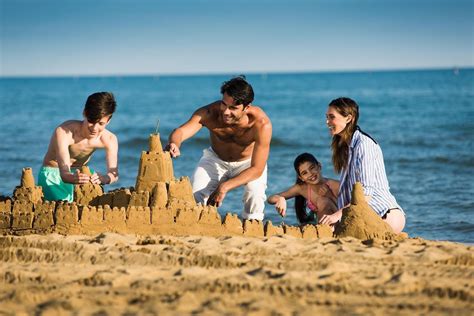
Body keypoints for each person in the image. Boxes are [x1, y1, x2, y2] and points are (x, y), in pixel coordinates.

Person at [166, 76, 272, 221]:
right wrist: (174, 143)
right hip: (215, 159)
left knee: (255, 194)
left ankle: (251, 228)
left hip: (247, 164)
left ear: (247, 107)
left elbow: (257, 169)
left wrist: (224, 187)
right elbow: (181, 131)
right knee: (195, 194)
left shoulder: (261, 124)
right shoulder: (210, 113)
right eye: (224, 104)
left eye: (233, 108)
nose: (226, 112)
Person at [320, 97, 406, 233]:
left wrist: (336, 216)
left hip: (384, 214)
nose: (327, 122)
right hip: (360, 216)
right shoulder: (346, 147)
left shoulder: (363, 145)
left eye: (332, 117)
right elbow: (350, 188)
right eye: (326, 117)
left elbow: (365, 193)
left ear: (348, 118)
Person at [38, 92, 119, 202]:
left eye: (101, 123)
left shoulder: (109, 139)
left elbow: (114, 174)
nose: (95, 128)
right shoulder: (64, 131)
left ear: (108, 120)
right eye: (91, 121)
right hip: (53, 174)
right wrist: (69, 176)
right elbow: (65, 174)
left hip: (81, 174)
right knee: (64, 212)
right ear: (85, 113)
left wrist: (104, 178)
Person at [267, 153, 339, 225]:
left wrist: (330, 196)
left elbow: (349, 206)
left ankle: (326, 230)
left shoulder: (334, 185)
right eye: (305, 173)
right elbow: (270, 199)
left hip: (338, 219)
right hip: (319, 221)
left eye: (312, 168)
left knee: (323, 200)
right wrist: (280, 198)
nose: (310, 174)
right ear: (301, 178)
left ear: (319, 166)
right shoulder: (302, 188)